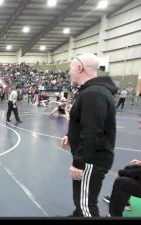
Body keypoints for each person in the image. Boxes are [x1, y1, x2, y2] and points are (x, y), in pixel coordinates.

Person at [61, 54, 118, 217]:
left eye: (71, 68)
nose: (70, 72)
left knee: (87, 206)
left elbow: (92, 131)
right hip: (89, 158)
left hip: (91, 160)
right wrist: (70, 136)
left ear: (80, 68)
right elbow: (85, 120)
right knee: (80, 199)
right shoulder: (91, 91)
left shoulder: (94, 93)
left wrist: (79, 163)